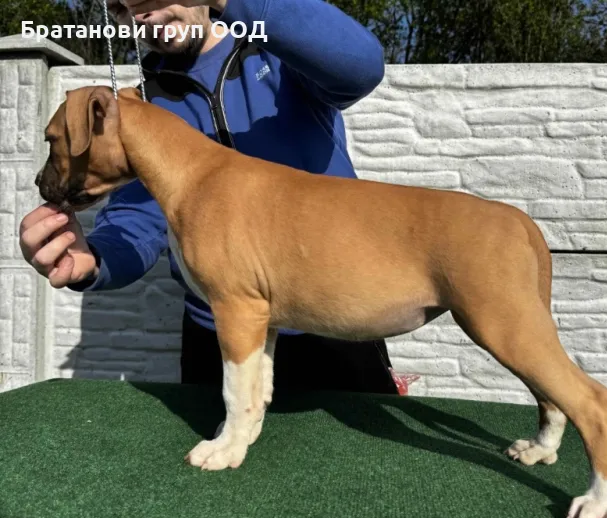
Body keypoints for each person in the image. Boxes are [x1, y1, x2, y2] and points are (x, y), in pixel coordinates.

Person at [19, 0, 400, 395]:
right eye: (120, 7)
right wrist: (94, 260)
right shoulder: (146, 102)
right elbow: (140, 215)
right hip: (217, 332)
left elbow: (360, 67)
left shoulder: (280, 49)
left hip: (334, 323)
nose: (140, 13)